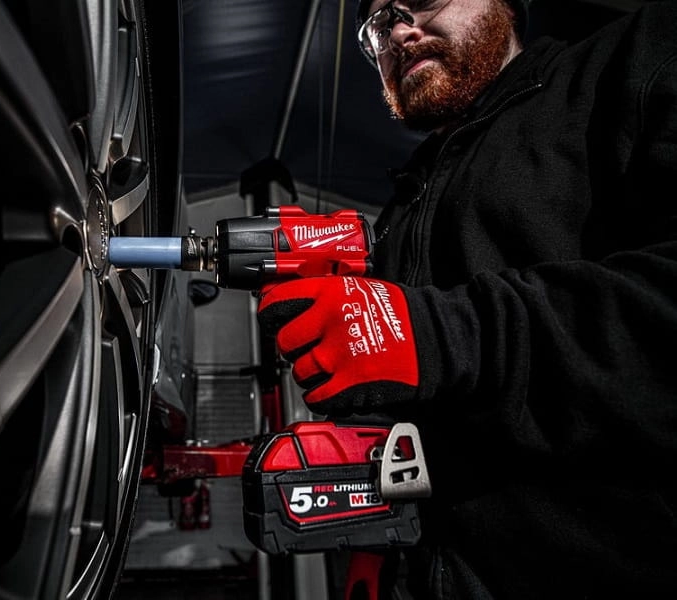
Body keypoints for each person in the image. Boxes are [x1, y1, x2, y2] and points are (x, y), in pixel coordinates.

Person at [256, 0, 677, 598]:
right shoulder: (408, 199)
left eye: (421, 1)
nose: (399, 32)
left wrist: (440, 338)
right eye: (378, 25)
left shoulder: (634, 61)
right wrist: (371, 503)